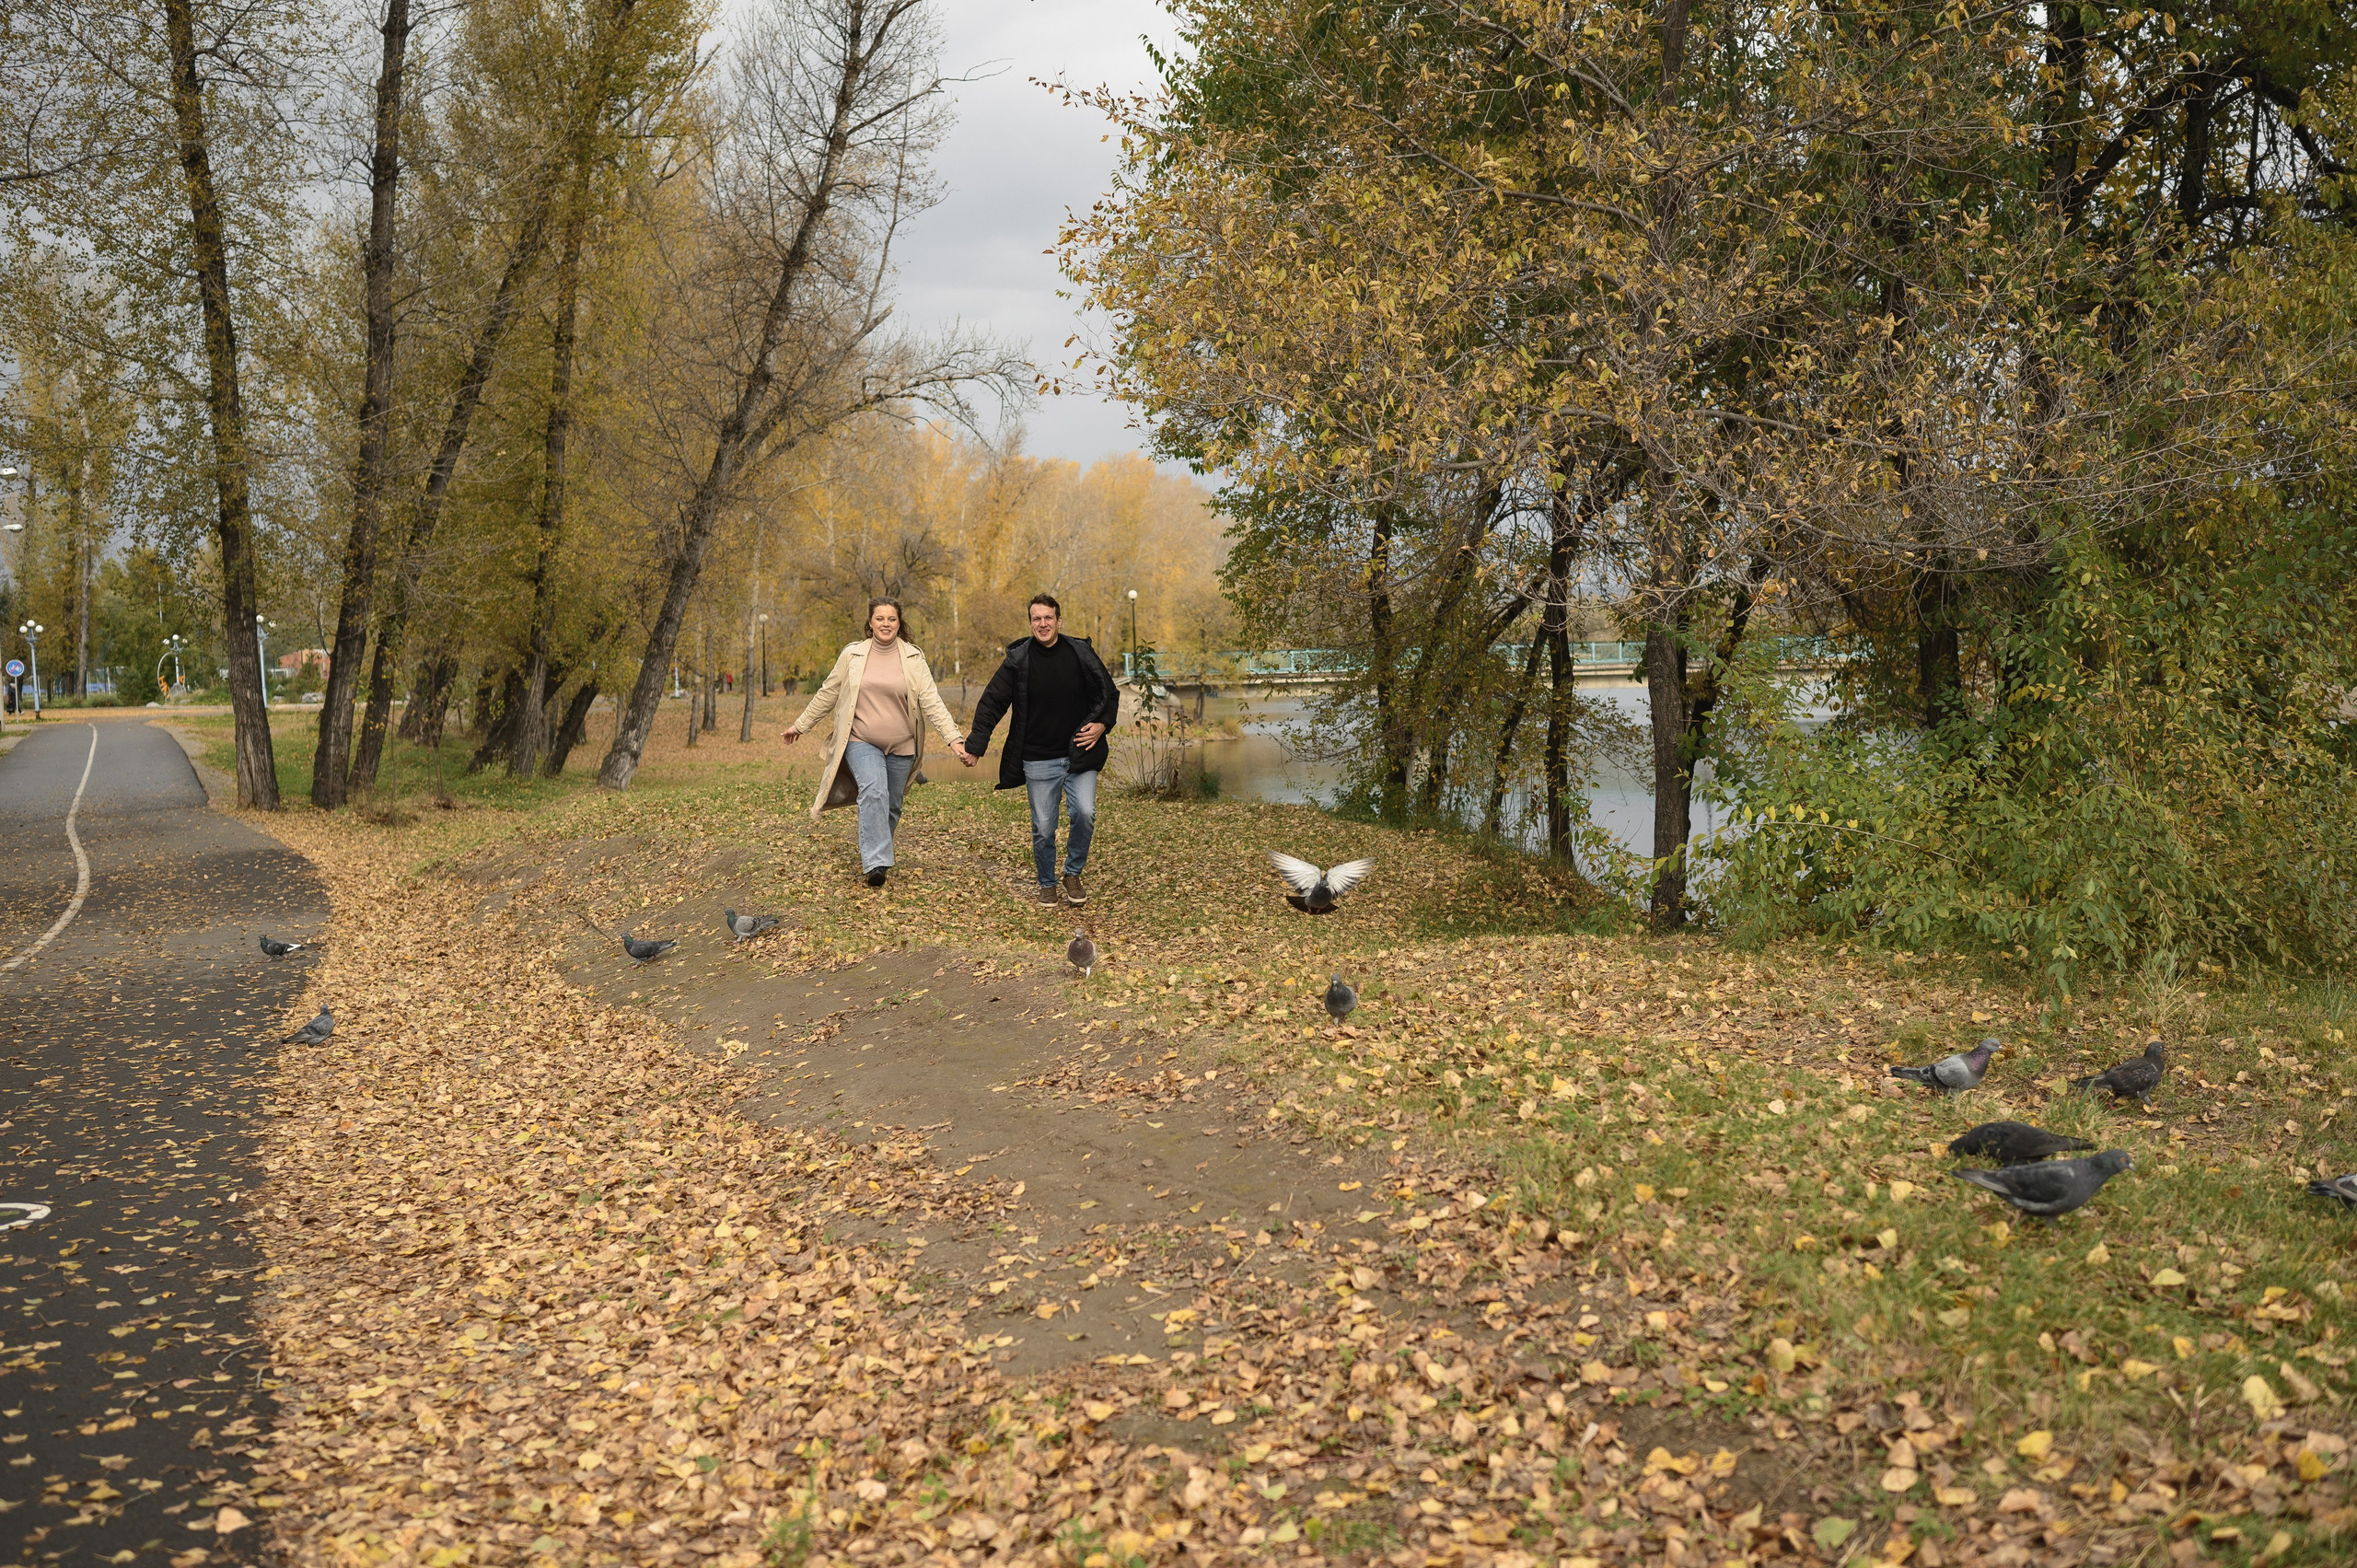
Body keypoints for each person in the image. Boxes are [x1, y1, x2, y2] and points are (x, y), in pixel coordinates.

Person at [783, 599, 969, 888]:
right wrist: (800, 725)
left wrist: (954, 739)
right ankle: (876, 864)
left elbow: (932, 701)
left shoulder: (912, 658)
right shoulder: (853, 654)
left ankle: (877, 854)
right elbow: (828, 693)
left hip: (903, 745)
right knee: (874, 790)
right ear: (870, 623)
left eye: (891, 619)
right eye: (879, 618)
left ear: (899, 623)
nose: (885, 624)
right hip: (861, 739)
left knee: (892, 805)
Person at [959, 593, 1119, 907]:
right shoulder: (1019, 660)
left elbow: (1108, 693)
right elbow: (992, 702)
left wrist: (1102, 725)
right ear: (1030, 623)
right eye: (1036, 619)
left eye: (1048, 618)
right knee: (1044, 828)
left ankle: (1072, 874)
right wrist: (976, 746)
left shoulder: (1081, 653)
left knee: (1084, 813)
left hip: (1079, 754)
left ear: (1059, 621)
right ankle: (1048, 882)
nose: (1043, 624)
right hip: (1038, 758)